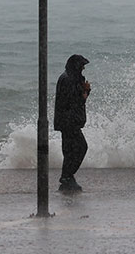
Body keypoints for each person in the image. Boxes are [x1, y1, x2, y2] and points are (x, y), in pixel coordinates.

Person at [54, 54, 91, 193]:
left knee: (69, 151)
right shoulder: (69, 80)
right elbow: (75, 101)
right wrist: (85, 92)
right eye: (82, 66)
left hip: (66, 121)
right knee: (81, 148)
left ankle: (67, 177)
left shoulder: (67, 77)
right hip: (69, 122)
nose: (83, 69)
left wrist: (84, 91)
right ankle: (67, 177)